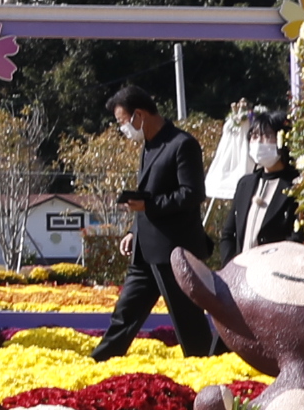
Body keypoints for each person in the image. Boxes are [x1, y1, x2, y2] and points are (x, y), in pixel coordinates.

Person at [90, 82, 215, 361]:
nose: (123, 129)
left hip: (174, 250)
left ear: (139, 115)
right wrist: (134, 230)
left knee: (188, 321)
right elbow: (147, 193)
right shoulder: (148, 145)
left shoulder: (182, 144)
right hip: (145, 251)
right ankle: (99, 362)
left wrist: (150, 206)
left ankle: (209, 375)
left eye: (123, 121)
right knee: (125, 314)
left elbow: (192, 194)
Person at [223, 104, 301, 255]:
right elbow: (228, 234)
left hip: (275, 271)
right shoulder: (245, 184)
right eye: (255, 136)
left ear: (283, 139)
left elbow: (296, 238)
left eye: (268, 136)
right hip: (240, 271)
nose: (259, 142)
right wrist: (230, 265)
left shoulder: (297, 185)